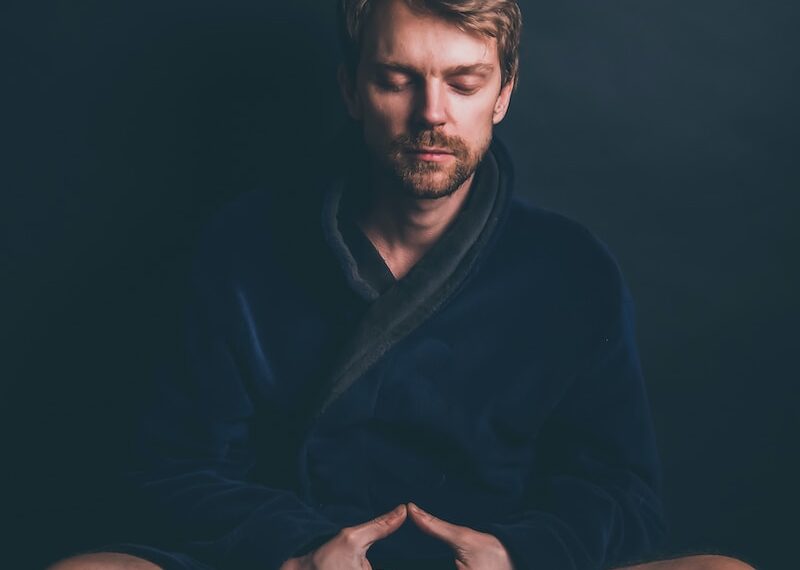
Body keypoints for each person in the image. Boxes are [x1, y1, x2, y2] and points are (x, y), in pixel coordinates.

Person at [49, 1, 754, 569]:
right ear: (351, 89)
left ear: (503, 93)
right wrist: (297, 550)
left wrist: (516, 553)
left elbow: (624, 497)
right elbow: (175, 470)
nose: (431, 113)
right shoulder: (245, 245)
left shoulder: (572, 270)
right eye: (397, 78)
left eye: (463, 81)